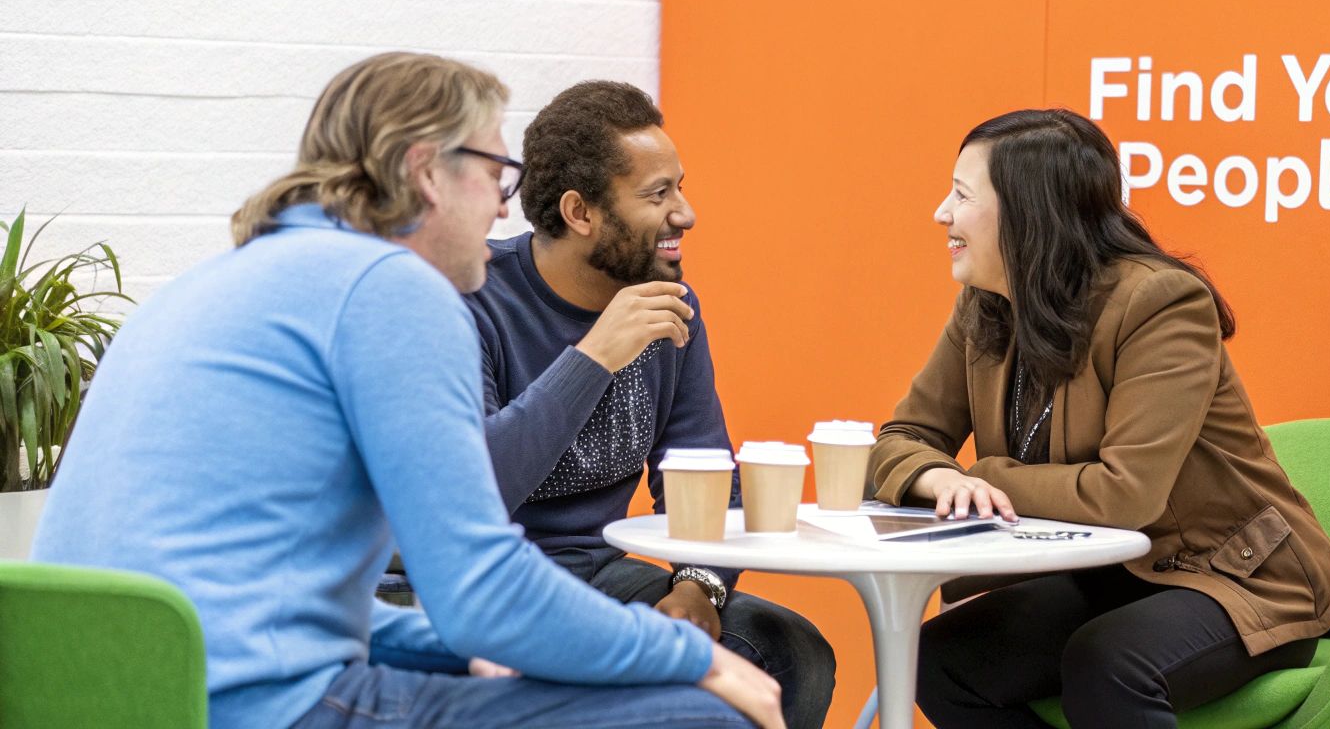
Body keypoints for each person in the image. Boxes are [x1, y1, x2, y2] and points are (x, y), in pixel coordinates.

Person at [32, 53, 783, 729]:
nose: (500, 207)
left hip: (110, 693)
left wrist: (450, 653)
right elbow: (481, 591)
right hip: (258, 707)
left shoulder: (211, 284)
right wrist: (694, 658)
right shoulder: (392, 288)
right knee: (694, 712)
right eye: (495, 175)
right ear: (428, 171)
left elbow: (295, 609)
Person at [867, 108, 1330, 729]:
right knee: (937, 660)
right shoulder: (986, 304)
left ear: (1026, 212)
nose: (942, 213)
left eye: (961, 196)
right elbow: (904, 437)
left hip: (1240, 578)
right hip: (1116, 573)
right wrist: (940, 480)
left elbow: (1126, 494)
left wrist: (987, 473)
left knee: (1108, 663)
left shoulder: (1160, 302)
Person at [463, 80, 835, 729]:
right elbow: (472, 491)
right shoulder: (478, 300)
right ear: (581, 213)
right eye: (658, 194)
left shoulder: (671, 304)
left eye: (680, 187)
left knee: (786, 649)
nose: (685, 213)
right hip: (489, 579)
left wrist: (699, 586)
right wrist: (593, 357)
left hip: (599, 572)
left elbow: (706, 479)